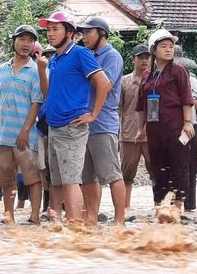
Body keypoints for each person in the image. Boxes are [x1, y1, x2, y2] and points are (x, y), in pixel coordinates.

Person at [36, 12, 111, 223]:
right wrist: (42, 70)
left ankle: (76, 227)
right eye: (48, 30)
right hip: (55, 126)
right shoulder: (55, 59)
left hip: (72, 126)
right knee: (57, 183)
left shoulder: (80, 53)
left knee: (70, 181)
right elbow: (47, 92)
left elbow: (104, 83)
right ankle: (59, 225)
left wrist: (93, 114)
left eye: (55, 29)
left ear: (69, 33)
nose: (50, 34)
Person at [0, 25, 44, 225]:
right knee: (6, 177)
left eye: (30, 40)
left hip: (27, 134)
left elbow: (37, 102)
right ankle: (8, 215)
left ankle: (34, 215)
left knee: (32, 175)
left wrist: (26, 130)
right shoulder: (1, 69)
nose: (26, 44)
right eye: (22, 39)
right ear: (14, 42)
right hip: (3, 134)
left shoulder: (36, 70)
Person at [76, 16, 125, 226]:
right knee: (88, 176)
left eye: (89, 32)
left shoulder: (112, 56)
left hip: (103, 122)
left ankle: (120, 220)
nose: (84, 36)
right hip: (85, 122)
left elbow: (105, 85)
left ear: (102, 34)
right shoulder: (89, 54)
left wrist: (94, 114)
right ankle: (91, 219)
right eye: (83, 32)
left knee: (112, 174)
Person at [137, 29, 194, 208]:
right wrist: (140, 129)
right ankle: (159, 206)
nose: (169, 50)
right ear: (154, 50)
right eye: (164, 46)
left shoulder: (179, 71)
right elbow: (141, 105)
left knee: (178, 163)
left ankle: (177, 207)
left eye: (171, 46)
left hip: (175, 125)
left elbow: (186, 98)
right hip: (154, 128)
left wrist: (187, 122)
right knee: (157, 164)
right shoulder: (147, 75)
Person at [119, 44, 152, 210]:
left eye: (147, 57)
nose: (144, 61)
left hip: (153, 134)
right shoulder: (124, 81)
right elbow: (117, 108)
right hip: (128, 133)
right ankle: (125, 208)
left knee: (157, 172)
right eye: (141, 57)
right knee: (126, 174)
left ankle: (159, 208)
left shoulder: (156, 80)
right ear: (133, 59)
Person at [175, 47, 197, 212]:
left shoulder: (191, 79)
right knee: (171, 166)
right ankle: (170, 206)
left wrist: (186, 95)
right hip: (170, 127)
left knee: (189, 166)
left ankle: (189, 206)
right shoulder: (162, 77)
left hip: (189, 127)